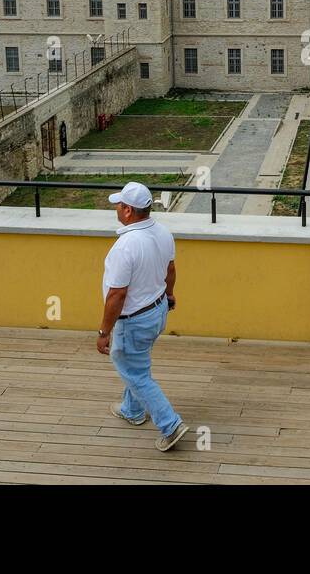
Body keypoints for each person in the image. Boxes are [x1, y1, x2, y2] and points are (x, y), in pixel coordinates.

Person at [97, 181, 188, 452]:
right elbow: (170, 270)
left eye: (119, 205)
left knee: (136, 373)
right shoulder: (162, 232)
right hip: (157, 311)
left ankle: (171, 425)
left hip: (133, 321)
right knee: (136, 364)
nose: (116, 208)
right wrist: (170, 295)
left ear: (127, 211)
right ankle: (131, 410)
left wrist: (104, 332)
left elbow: (117, 295)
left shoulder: (125, 246)